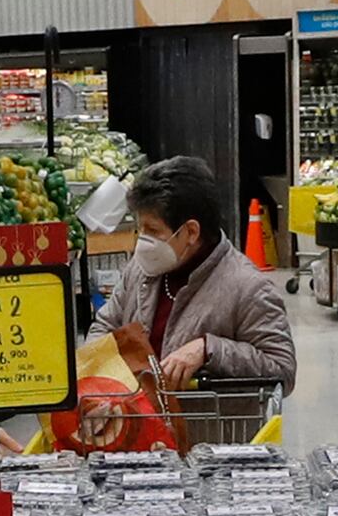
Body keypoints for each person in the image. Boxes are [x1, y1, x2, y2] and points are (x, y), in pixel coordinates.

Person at [108, 155, 294, 422]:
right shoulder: (139, 271)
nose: (143, 241)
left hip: (210, 446)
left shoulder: (248, 288)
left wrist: (209, 350)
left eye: (153, 230)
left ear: (191, 232)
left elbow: (282, 370)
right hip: (141, 441)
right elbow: (105, 328)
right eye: (141, 229)